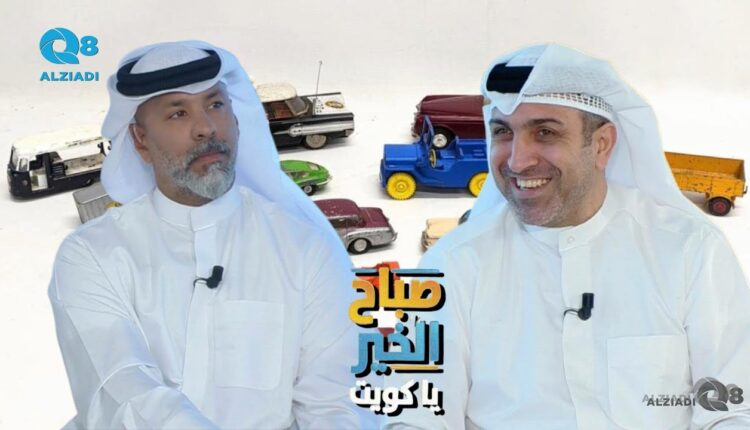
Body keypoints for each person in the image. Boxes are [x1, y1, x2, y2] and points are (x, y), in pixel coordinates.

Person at [384, 44, 750, 429]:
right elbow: (414, 415)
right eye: (503, 132)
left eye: (545, 132)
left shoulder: (691, 250)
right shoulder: (451, 265)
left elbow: (734, 409)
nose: (517, 160)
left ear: (602, 145)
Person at [49, 41, 366, 429]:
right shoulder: (93, 255)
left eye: (216, 105)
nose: (206, 128)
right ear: (140, 140)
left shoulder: (305, 248)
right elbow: (122, 390)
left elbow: (337, 402)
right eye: (178, 113)